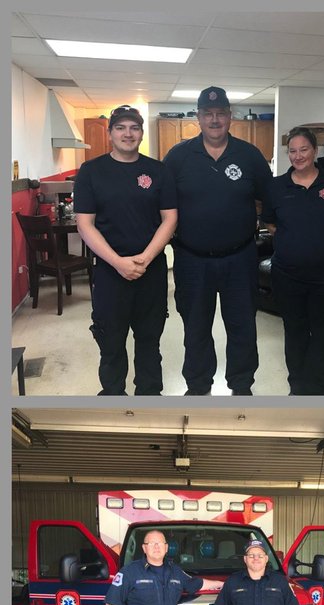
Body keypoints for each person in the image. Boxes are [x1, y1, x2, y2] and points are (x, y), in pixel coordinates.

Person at [163, 87, 272, 395]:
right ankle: (198, 388)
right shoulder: (178, 157)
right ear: (198, 117)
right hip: (191, 259)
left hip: (239, 259)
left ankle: (241, 387)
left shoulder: (249, 156)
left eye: (220, 114)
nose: (214, 120)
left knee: (242, 328)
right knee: (195, 329)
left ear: (230, 117)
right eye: (208, 114)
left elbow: (270, 200)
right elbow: (161, 205)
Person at [73, 105, 177, 395]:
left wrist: (144, 258)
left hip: (150, 270)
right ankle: (113, 398)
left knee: (149, 342)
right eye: (121, 128)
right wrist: (118, 262)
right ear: (110, 134)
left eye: (134, 128)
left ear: (141, 133)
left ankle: (149, 397)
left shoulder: (158, 171)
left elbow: (170, 218)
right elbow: (85, 225)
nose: (127, 133)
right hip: (109, 271)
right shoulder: (91, 172)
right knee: (111, 343)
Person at [262, 127, 324, 395]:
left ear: (314, 151)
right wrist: (290, 238)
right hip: (288, 276)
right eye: (292, 151)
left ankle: (319, 389)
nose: (298, 155)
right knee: (294, 331)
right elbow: (270, 222)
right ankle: (298, 386)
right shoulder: (277, 186)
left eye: (303, 149)